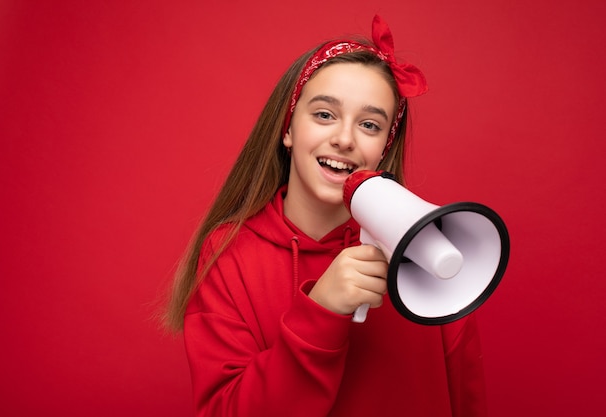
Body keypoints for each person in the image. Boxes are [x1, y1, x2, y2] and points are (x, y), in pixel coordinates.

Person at [165, 15, 487, 417]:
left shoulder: (428, 247)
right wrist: (321, 310)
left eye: (369, 125)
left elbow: (465, 395)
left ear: (383, 150)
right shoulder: (228, 253)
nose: (345, 138)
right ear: (288, 129)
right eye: (324, 115)